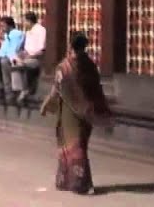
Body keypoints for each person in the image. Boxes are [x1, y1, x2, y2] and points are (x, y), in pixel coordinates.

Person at [40, 32, 111, 196]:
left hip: (69, 112)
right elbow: (97, 89)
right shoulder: (90, 65)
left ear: (70, 45)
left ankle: (79, 182)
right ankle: (70, 181)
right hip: (87, 111)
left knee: (73, 145)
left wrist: (45, 105)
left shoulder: (64, 67)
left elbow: (56, 89)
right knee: (81, 144)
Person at [10, 11, 47, 104]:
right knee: (14, 63)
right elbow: (26, 49)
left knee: (19, 65)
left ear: (29, 21)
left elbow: (41, 50)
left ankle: (23, 91)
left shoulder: (41, 30)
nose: (24, 23)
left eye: (25, 21)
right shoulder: (28, 32)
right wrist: (21, 54)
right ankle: (21, 90)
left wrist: (30, 56)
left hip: (35, 59)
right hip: (27, 58)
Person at [0, 16, 25, 100]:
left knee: (4, 61)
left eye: (3, 26)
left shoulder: (16, 34)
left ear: (10, 25)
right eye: (1, 26)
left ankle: (9, 91)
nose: (2, 28)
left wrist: (2, 56)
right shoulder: (7, 35)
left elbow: (14, 49)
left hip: (16, 56)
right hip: (8, 55)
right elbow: (3, 49)